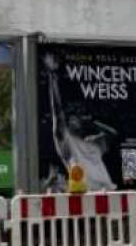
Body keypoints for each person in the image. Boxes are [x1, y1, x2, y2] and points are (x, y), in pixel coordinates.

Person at [43, 53, 118, 190]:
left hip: (108, 191)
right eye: (70, 118)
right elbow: (57, 111)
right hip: (86, 194)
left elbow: (113, 134)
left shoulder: (95, 141)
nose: (74, 119)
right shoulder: (67, 142)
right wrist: (52, 77)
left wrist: (93, 123)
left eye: (76, 117)